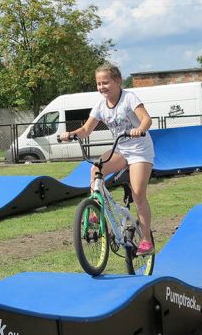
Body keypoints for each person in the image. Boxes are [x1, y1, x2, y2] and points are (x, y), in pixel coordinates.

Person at [59, 63, 155, 255]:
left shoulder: (129, 98)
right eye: (98, 83)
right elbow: (86, 130)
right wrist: (71, 133)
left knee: (137, 193)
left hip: (139, 150)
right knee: (96, 168)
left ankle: (146, 240)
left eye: (105, 82)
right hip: (119, 150)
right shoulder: (100, 106)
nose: (102, 87)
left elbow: (147, 119)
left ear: (118, 81)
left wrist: (140, 130)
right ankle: (95, 210)